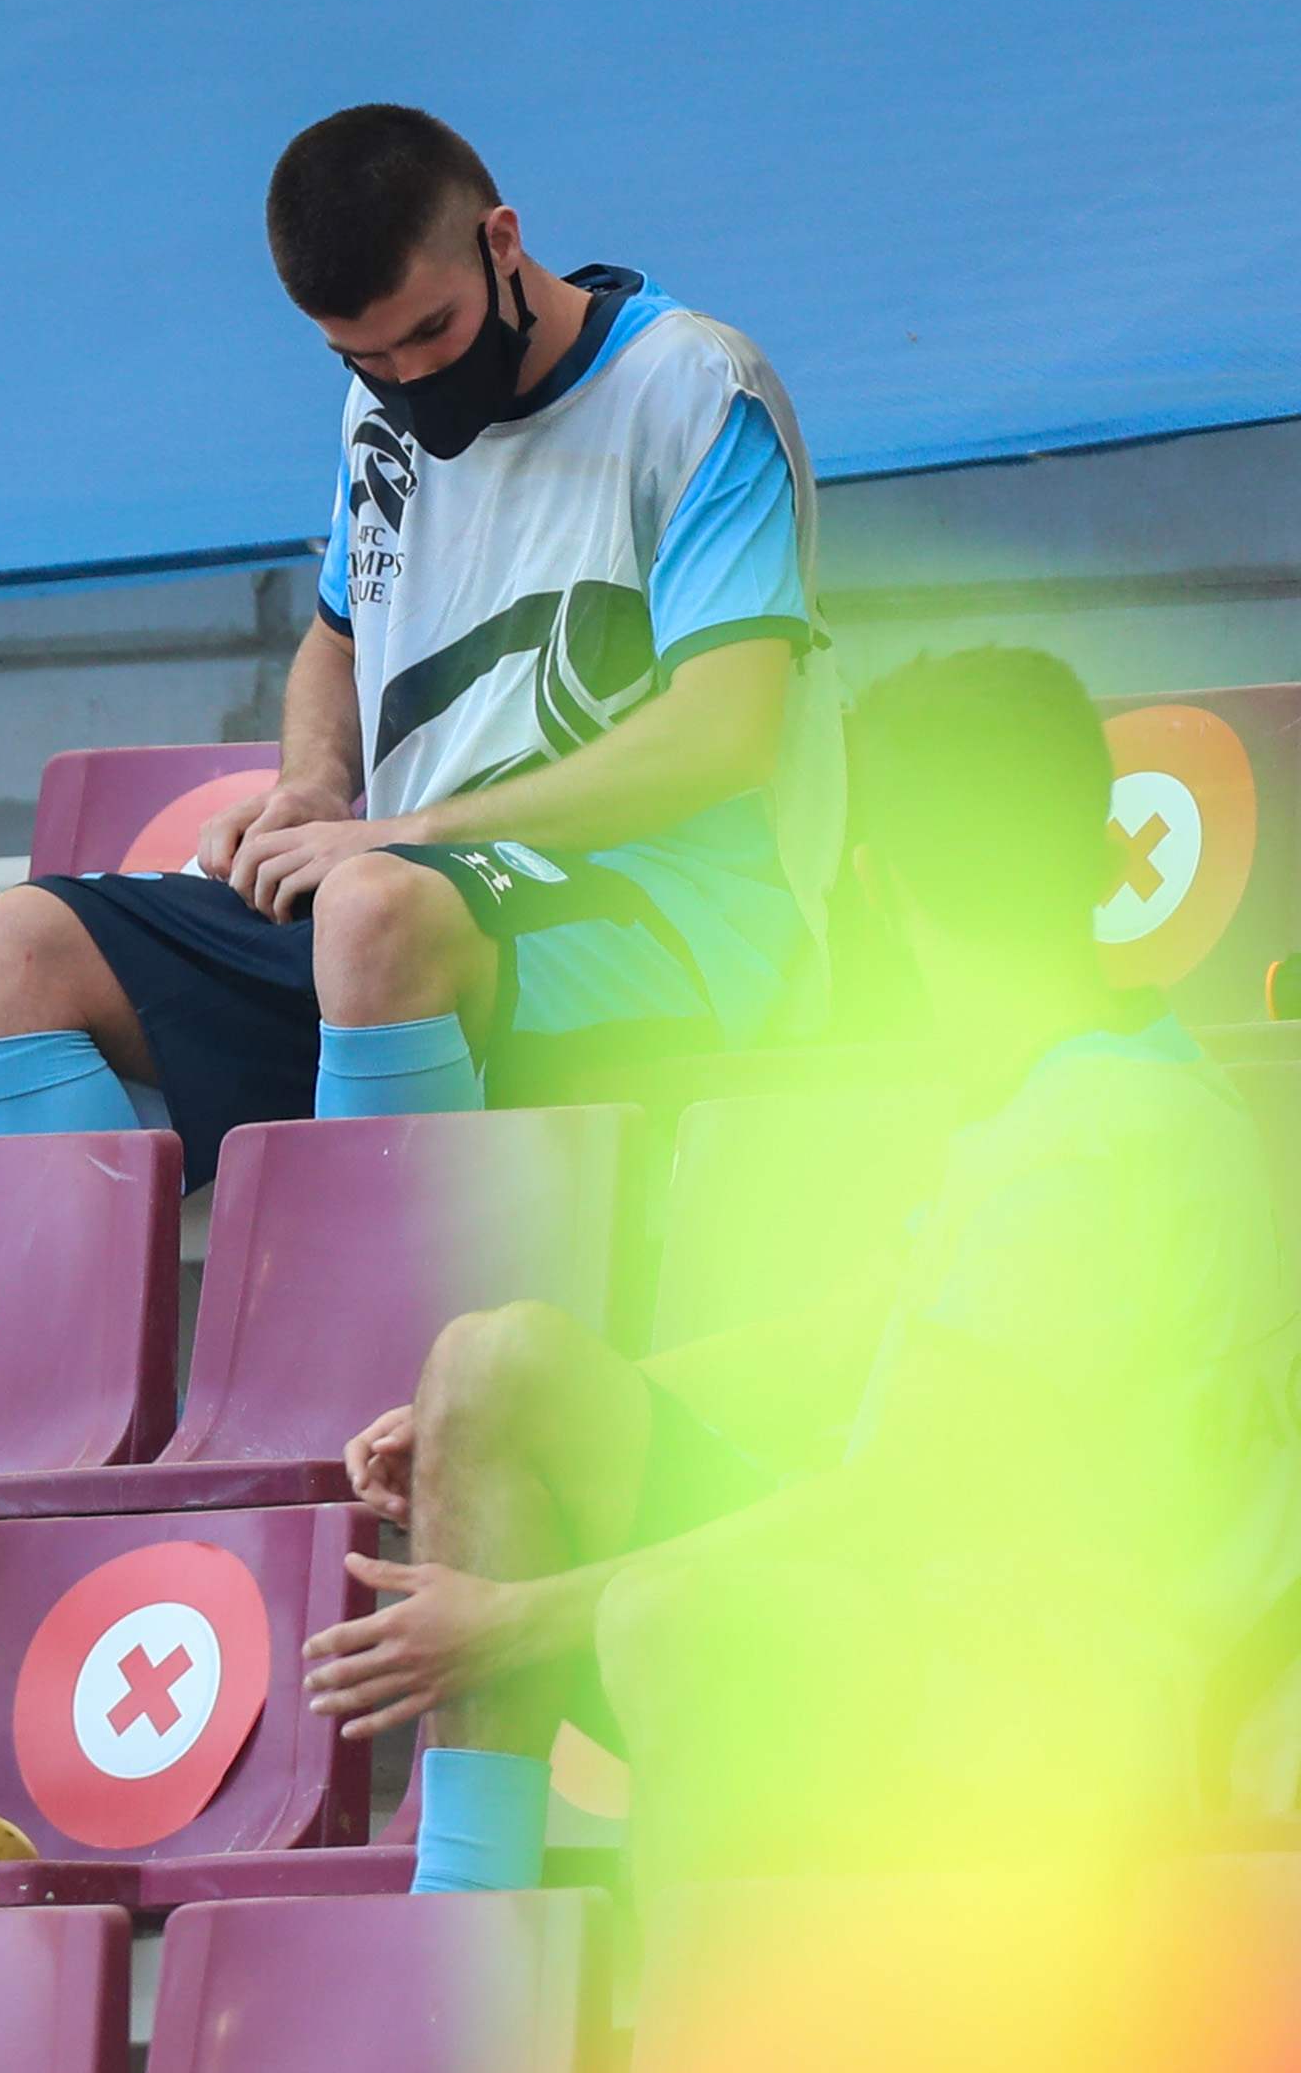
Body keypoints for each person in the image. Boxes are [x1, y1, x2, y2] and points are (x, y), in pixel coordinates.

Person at [307, 643, 1301, 1891]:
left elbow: (894, 1500)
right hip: (945, 1625)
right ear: (1096, 857)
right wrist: (481, 1423)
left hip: (1081, 1706)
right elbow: (850, 1330)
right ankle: (464, 1918)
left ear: (874, 887)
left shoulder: (1096, 1143)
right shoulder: (1052, 1077)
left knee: (676, 1626)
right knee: (497, 1365)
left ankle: (719, 2048)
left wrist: (509, 1621)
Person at [0, 106, 820, 1181]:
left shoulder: (691, 388)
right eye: (362, 356)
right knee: (1, 950)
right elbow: (336, 639)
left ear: (501, 242)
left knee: (370, 910)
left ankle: (379, 1330)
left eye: (431, 334)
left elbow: (722, 737)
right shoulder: (376, 406)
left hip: (667, 920)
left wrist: (401, 836)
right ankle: (96, 1344)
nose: (406, 379)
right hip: (414, 910)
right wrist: (314, 788)